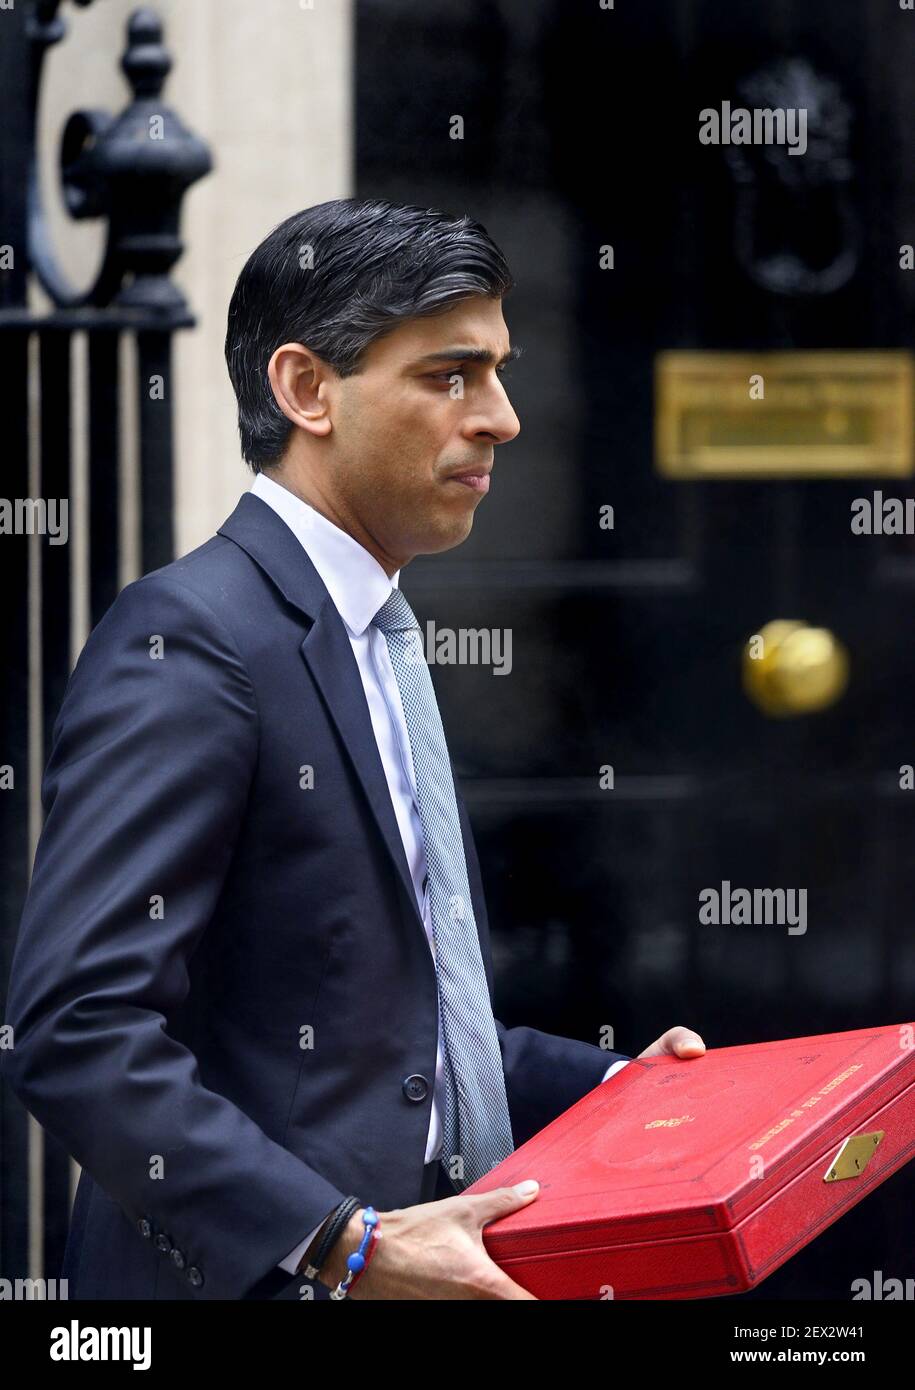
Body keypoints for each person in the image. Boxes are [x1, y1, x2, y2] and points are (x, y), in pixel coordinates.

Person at [1, 198, 706, 1301]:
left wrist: (623, 1088)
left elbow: (393, 1043)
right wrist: (343, 1243)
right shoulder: (193, 636)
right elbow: (75, 1027)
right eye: (450, 375)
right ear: (305, 389)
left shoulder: (377, 635)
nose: (502, 418)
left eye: (501, 371)